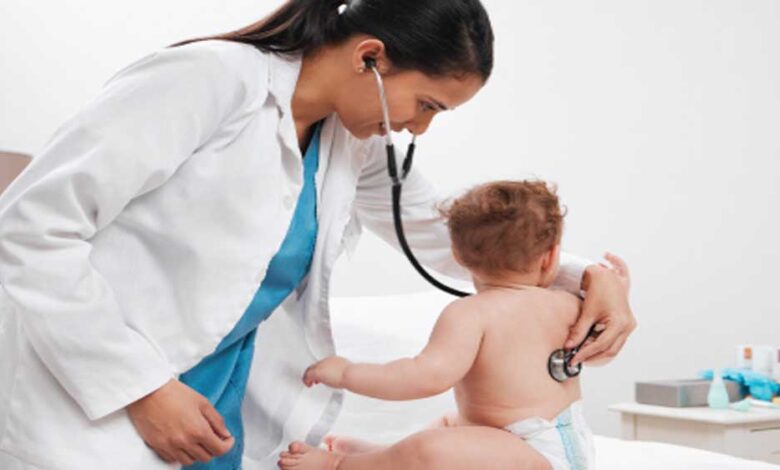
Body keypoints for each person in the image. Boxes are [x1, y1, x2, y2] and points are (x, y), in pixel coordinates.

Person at [0, 1, 635, 469]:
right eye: (427, 105)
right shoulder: (208, 80)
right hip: (100, 404)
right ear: (370, 57)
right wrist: (141, 388)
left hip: (218, 410)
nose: (418, 129)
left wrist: (587, 278)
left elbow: (453, 238)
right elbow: (30, 227)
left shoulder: (349, 142)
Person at [281, 180, 628, 470]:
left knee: (433, 449)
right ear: (551, 256)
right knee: (451, 424)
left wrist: (347, 373)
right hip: (565, 443)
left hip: (526, 455)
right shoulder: (569, 303)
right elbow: (600, 351)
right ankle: (384, 455)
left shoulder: (470, 313)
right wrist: (619, 288)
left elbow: (424, 377)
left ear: (458, 256)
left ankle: (342, 464)